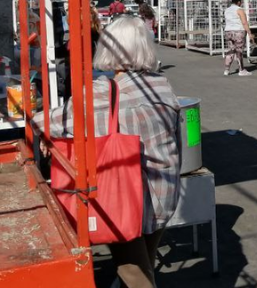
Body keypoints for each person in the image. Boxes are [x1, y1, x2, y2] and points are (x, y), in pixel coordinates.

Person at [40, 16, 181, 288]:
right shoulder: (163, 86)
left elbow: (48, 123)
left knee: (134, 274)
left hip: (123, 198)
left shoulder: (102, 92)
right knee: (144, 264)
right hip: (165, 193)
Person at [223, 0, 253, 76]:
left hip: (228, 31)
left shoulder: (227, 10)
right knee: (239, 51)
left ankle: (226, 70)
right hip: (238, 31)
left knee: (230, 50)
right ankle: (241, 70)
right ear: (239, 2)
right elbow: (244, 22)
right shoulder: (240, 10)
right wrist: (249, 33)